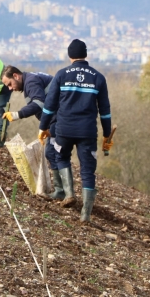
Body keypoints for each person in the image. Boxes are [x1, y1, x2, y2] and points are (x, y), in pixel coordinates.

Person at [37, 39, 113, 222]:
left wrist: (43, 127)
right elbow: (105, 111)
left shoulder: (62, 75)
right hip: (87, 132)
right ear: (85, 54)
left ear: (70, 55)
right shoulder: (98, 77)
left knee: (61, 157)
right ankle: (85, 215)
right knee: (88, 170)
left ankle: (69, 193)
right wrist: (107, 135)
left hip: (64, 129)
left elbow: (49, 106)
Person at [0, 66, 65, 201]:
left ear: (16, 76)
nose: (10, 88)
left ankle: (62, 191)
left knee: (53, 152)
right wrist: (45, 127)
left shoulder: (31, 82)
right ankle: (62, 190)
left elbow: (39, 104)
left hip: (61, 118)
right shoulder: (31, 80)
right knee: (53, 152)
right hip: (57, 118)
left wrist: (17, 114)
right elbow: (45, 106)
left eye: (10, 84)